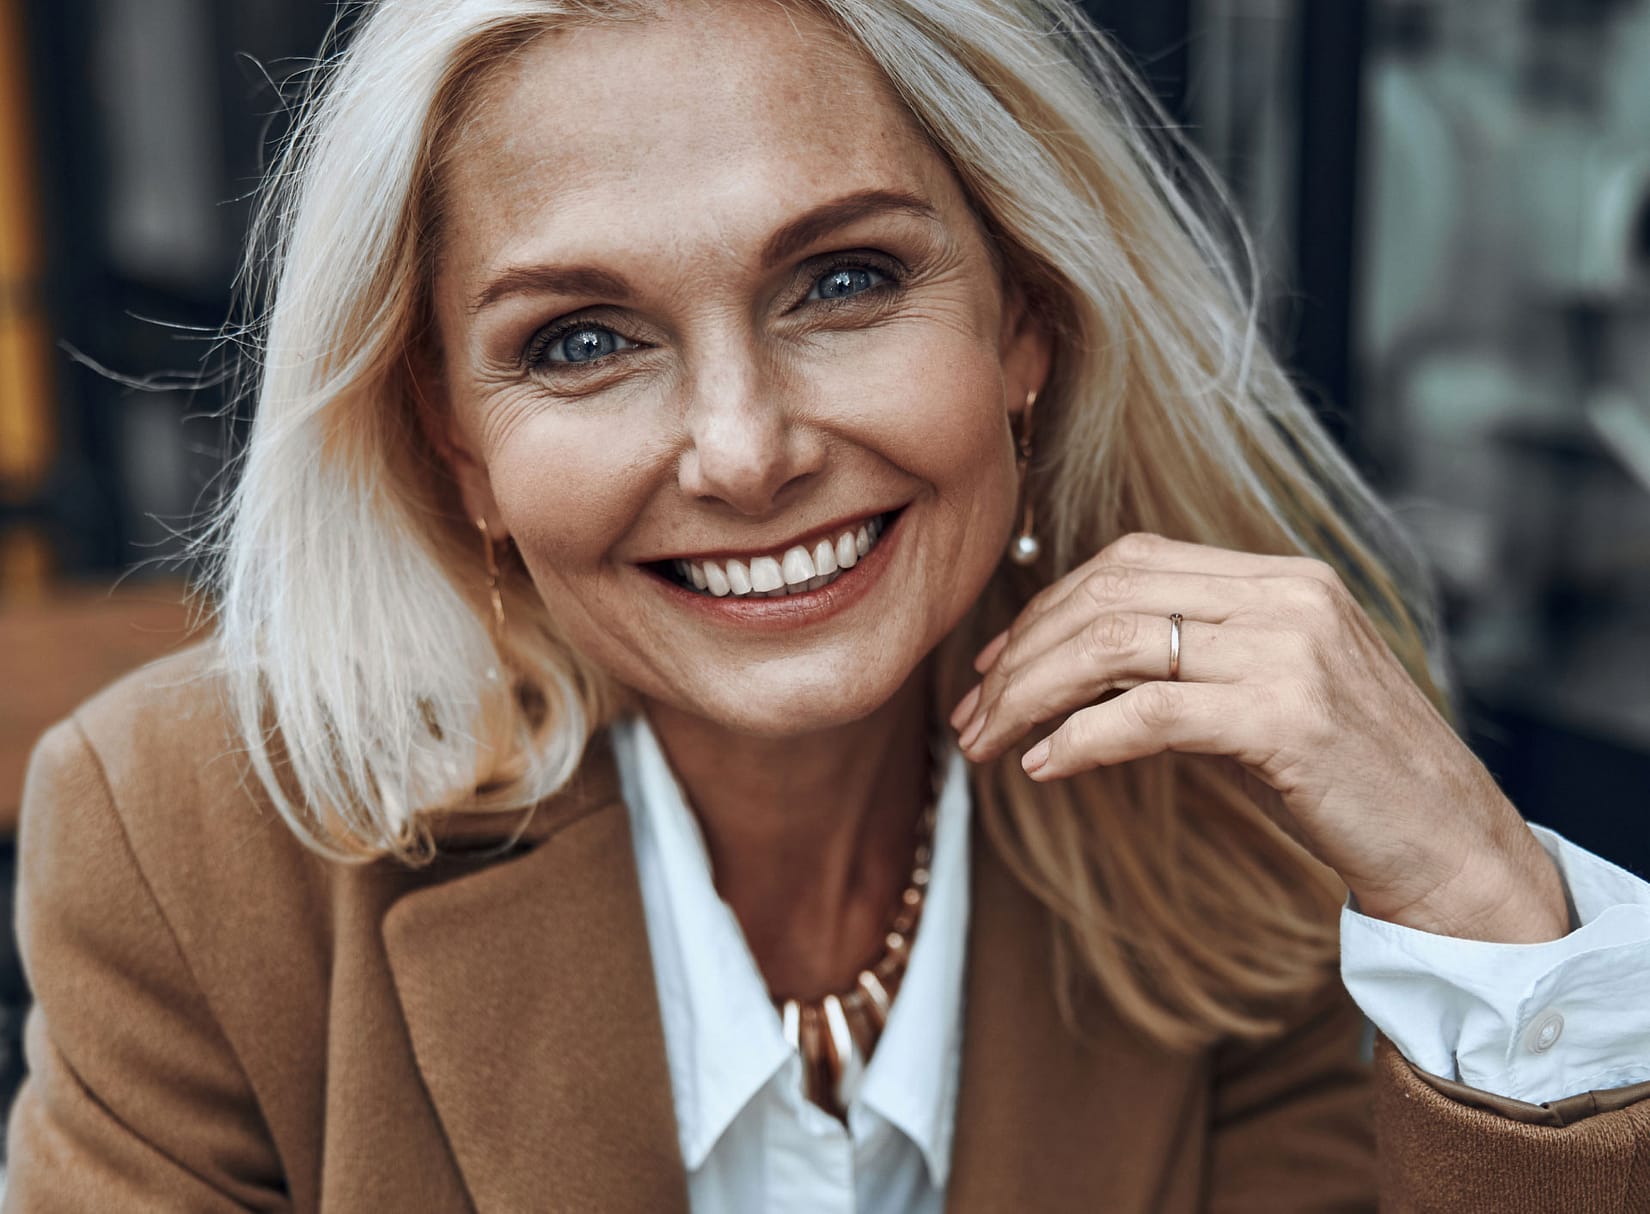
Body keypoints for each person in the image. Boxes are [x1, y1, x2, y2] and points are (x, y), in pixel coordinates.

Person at [8, 0, 1650, 1209]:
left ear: (1026, 323)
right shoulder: (188, 835)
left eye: (843, 280)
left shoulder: (1214, 804)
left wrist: (1478, 901)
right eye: (579, 338)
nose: (742, 449)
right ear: (459, 444)